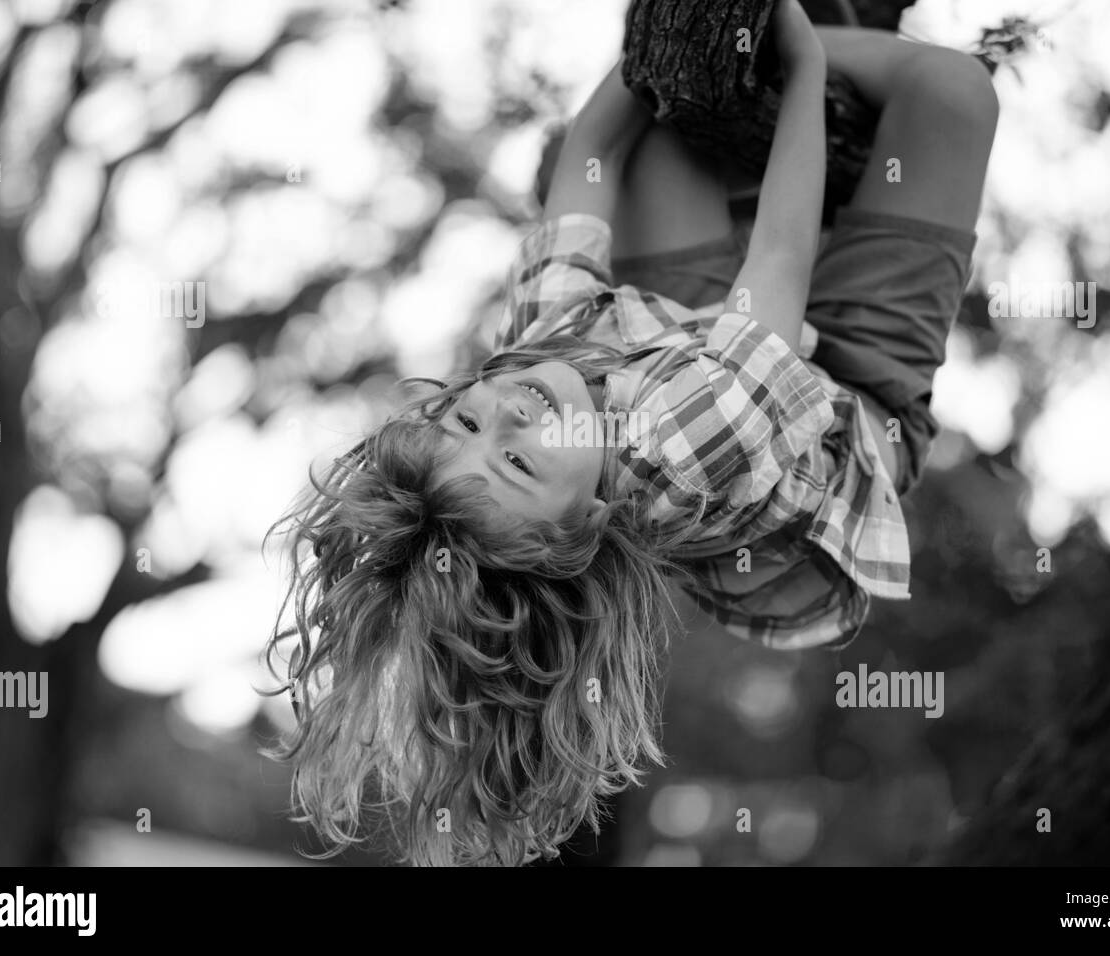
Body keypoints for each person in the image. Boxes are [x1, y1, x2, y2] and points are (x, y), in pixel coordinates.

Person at [263, 0, 999, 867]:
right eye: (517, 458)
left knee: (668, 122)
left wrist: (665, 50)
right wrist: (792, 62)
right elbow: (781, 262)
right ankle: (806, 66)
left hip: (682, 335)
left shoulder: (537, 365)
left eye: (464, 418)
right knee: (956, 93)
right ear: (586, 525)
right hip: (853, 401)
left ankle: (743, 99)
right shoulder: (682, 454)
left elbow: (589, 156)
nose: (510, 406)